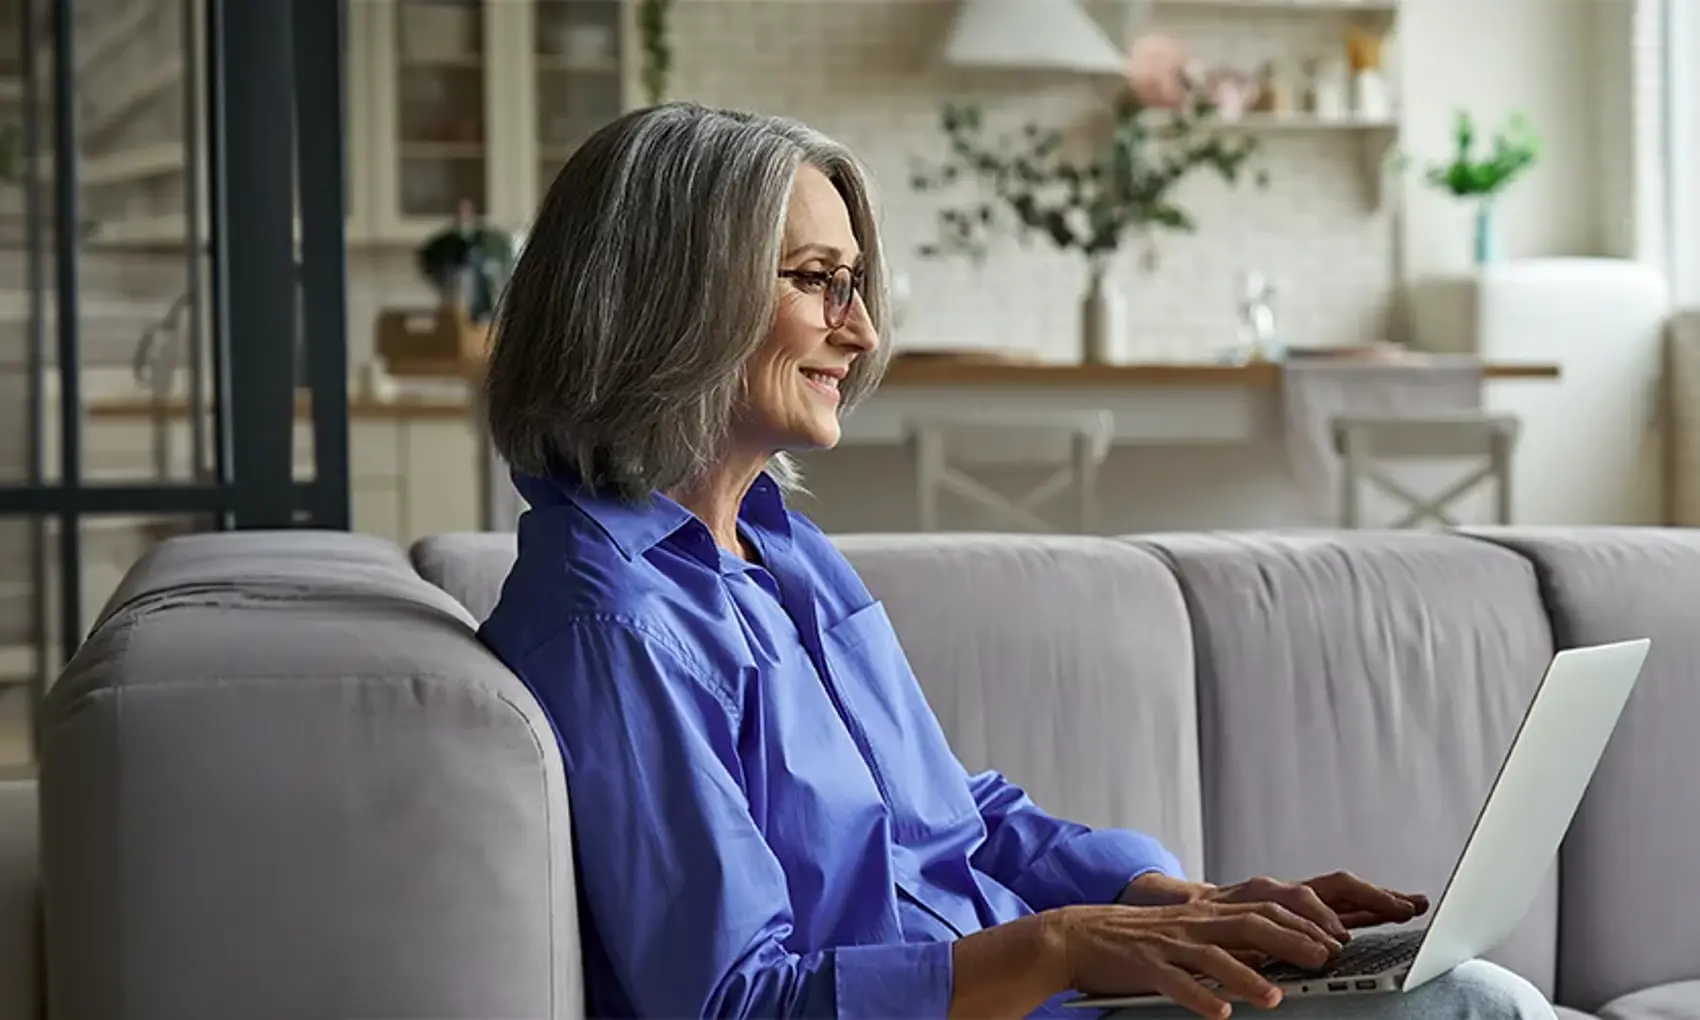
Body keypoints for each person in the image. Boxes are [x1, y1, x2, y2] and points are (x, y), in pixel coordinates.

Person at [477, 103, 1556, 1020]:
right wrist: (1057, 947)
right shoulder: (613, 624)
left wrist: (1174, 903)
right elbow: (738, 1001)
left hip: (1058, 995)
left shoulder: (774, 545)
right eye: (817, 279)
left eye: (854, 282)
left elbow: (957, 815)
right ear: (671, 299)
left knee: (1453, 986)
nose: (855, 333)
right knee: (1473, 1005)